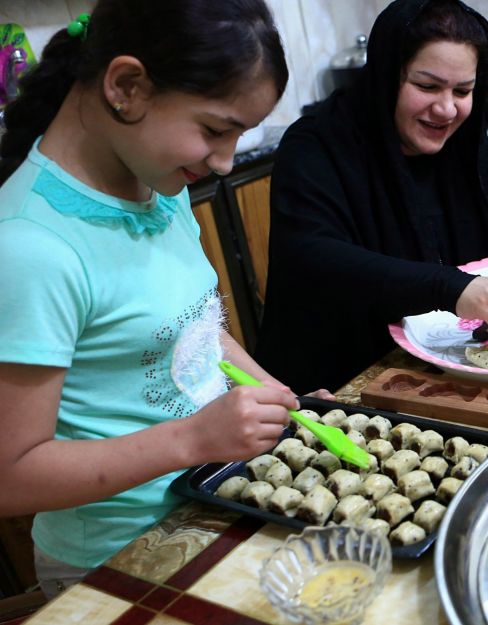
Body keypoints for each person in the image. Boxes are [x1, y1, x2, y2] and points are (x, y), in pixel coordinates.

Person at [0, 0, 302, 597]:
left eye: (240, 135)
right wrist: (194, 439)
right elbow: (12, 475)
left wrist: (278, 399)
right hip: (118, 559)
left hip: (216, 504)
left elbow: (190, 328)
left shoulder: (157, 183)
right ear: (127, 86)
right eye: (216, 129)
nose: (223, 161)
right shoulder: (31, 248)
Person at [254, 0, 488, 393]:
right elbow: (315, 258)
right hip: (345, 380)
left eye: (463, 90)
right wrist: (450, 287)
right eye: (426, 86)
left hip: (450, 368)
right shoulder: (316, 146)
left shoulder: (462, 142)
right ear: (387, 76)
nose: (446, 109)